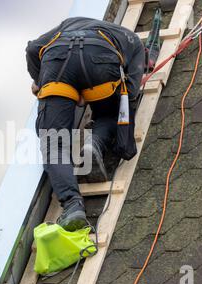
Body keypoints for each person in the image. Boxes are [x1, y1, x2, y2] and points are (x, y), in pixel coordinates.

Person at [26, 17, 145, 231]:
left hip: (57, 62)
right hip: (101, 60)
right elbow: (130, 96)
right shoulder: (133, 41)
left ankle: (72, 205)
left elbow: (33, 48)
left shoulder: (68, 23)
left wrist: (40, 80)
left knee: (55, 143)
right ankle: (95, 144)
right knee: (111, 114)